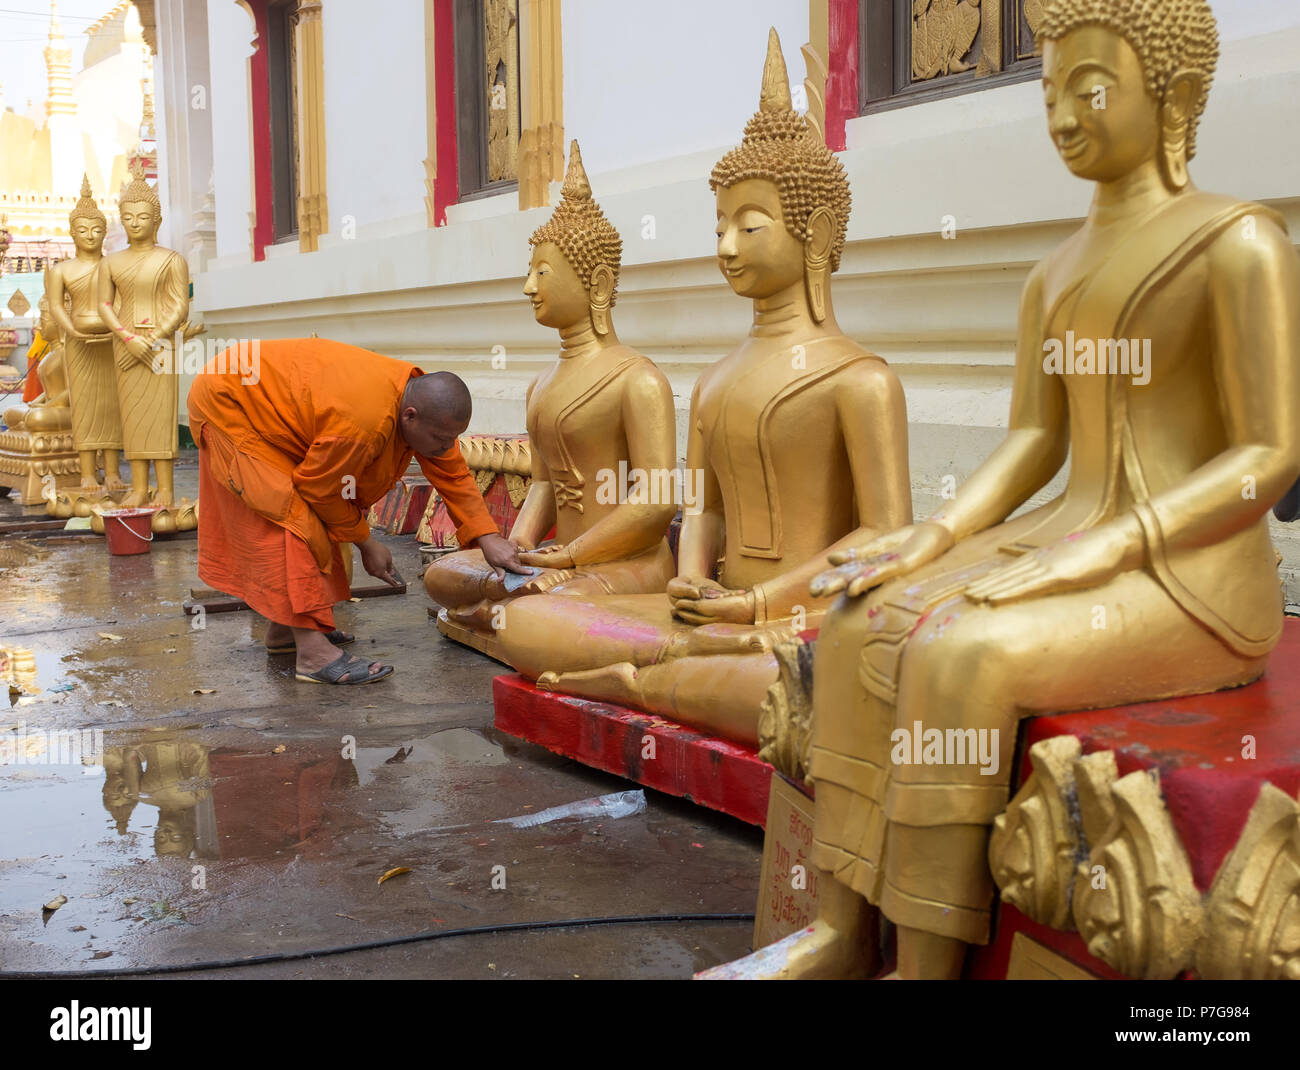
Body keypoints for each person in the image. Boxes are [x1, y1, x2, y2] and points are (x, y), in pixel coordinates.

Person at [188, 337, 528, 684]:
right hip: (229, 401)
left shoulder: (416, 402)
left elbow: (451, 472)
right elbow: (320, 492)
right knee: (291, 517)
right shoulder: (361, 425)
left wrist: (488, 537)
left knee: (312, 514)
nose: (446, 446)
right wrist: (367, 542)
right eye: (442, 438)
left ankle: (285, 632)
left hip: (264, 394)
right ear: (410, 416)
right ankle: (312, 654)